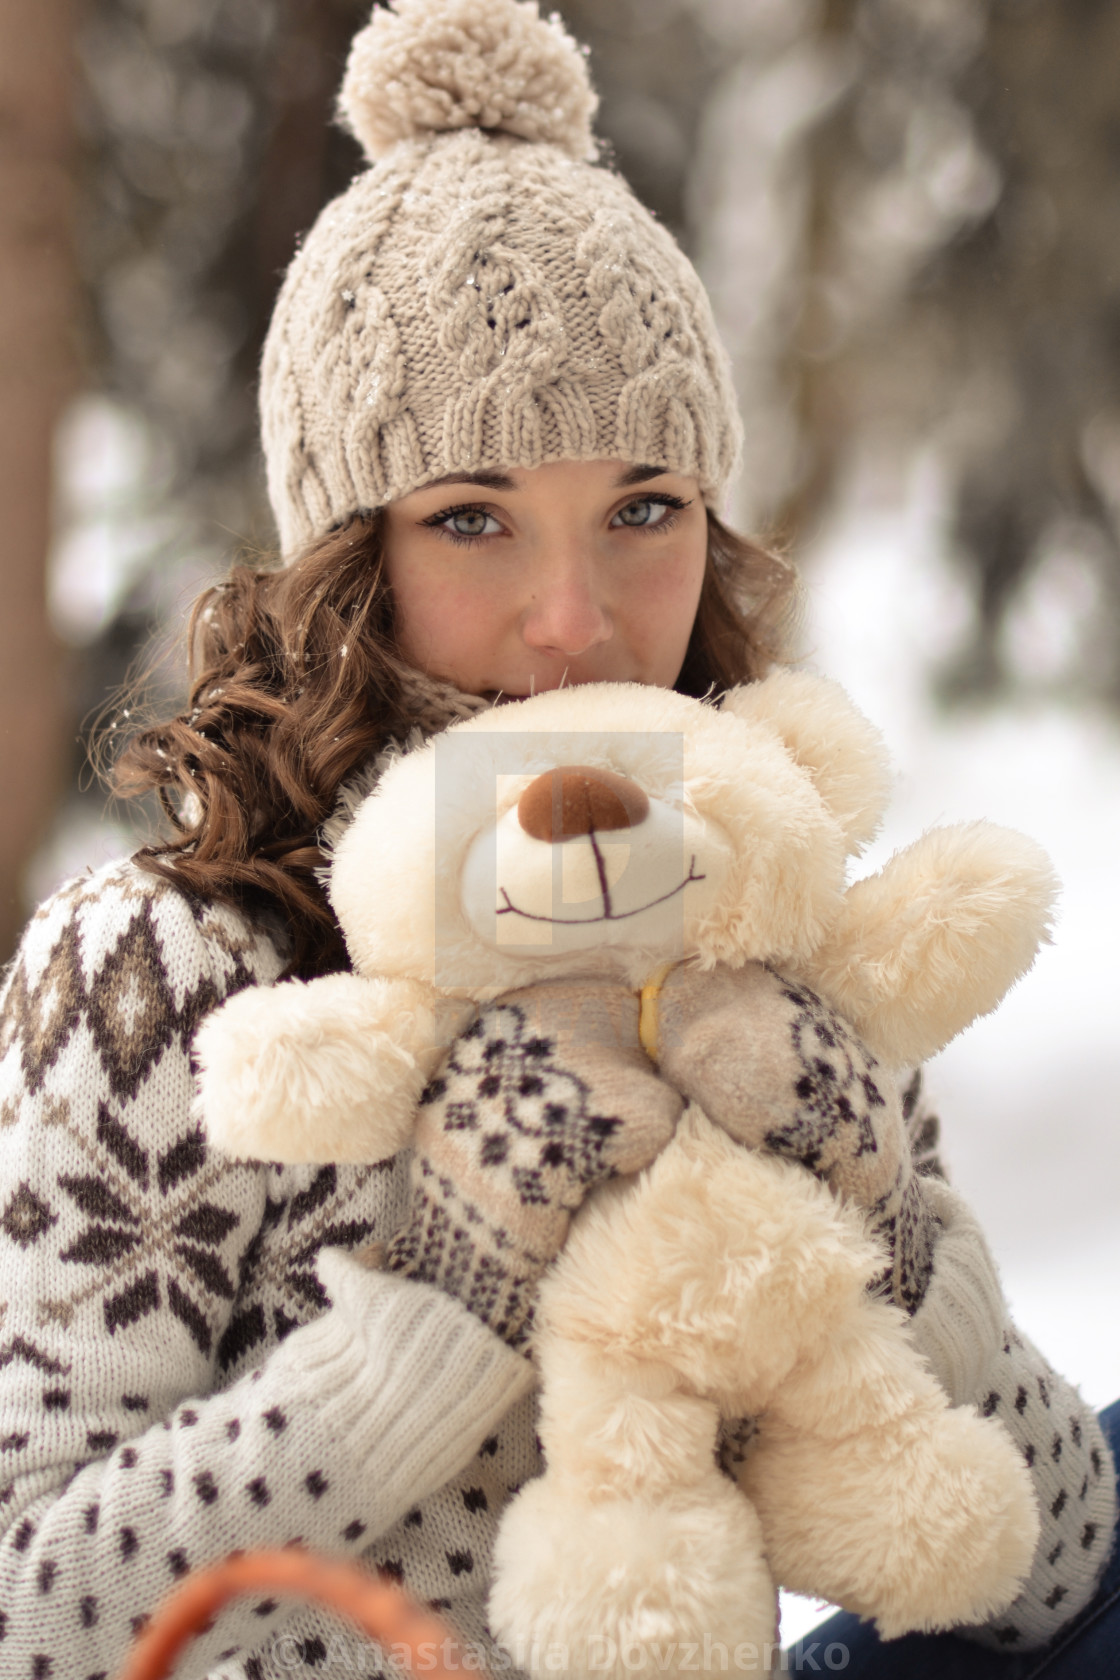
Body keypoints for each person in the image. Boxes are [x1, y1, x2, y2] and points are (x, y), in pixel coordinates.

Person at [0, 2, 1113, 1677]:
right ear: (343, 557)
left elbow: (1065, 1564)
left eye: (642, 510)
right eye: (472, 519)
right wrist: (434, 1310)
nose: (577, 617)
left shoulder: (752, 900)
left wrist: (887, 1230)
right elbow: (31, 1609)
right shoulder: (162, 968)